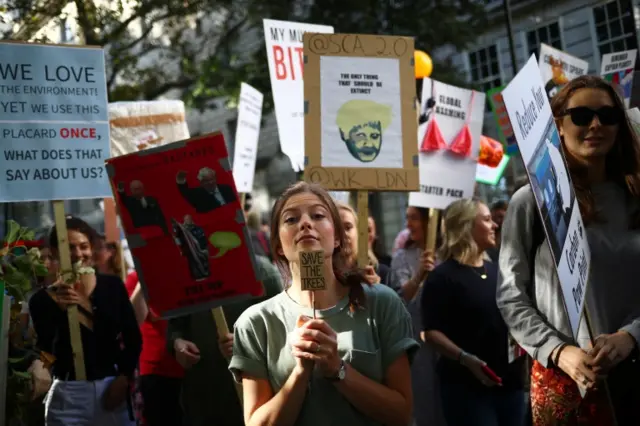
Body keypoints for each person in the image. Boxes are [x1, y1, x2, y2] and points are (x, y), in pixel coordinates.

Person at [498, 75, 640, 425]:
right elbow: (511, 296)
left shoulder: (636, 197)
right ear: (558, 125)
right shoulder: (531, 201)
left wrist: (631, 337)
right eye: (581, 116)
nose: (595, 124)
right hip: (567, 384)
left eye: (608, 116)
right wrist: (558, 351)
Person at [229, 182, 418, 426]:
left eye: (318, 215)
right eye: (291, 219)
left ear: (337, 237)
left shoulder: (381, 303)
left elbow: (402, 414)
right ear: (278, 246)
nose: (305, 223)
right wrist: (300, 372)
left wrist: (337, 369)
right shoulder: (255, 323)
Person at [422, 199, 526, 426]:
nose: (495, 226)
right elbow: (431, 333)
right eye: (487, 220)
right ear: (466, 226)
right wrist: (466, 359)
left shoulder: (498, 270)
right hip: (467, 390)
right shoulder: (442, 278)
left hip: (510, 385)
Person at [29, 216, 141, 425]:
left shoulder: (111, 287)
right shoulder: (42, 300)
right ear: (54, 252)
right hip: (67, 393)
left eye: (83, 246)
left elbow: (132, 337)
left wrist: (124, 379)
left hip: (110, 387)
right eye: (69, 247)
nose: (78, 254)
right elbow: (47, 348)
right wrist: (39, 365)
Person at [166, 254, 284, 426]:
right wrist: (177, 343)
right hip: (203, 396)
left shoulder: (262, 273)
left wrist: (247, 346)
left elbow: (281, 335)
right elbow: (175, 326)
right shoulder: (190, 273)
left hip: (250, 399)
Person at [126, 272, 184, 426]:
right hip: (154, 371)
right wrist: (146, 275)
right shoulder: (137, 277)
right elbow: (131, 323)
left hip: (191, 367)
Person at [336, 201, 389, 285]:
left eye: (348, 227)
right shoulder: (323, 274)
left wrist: (378, 290)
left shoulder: (380, 272)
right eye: (337, 228)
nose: (343, 234)